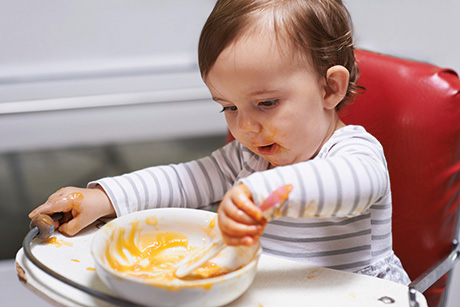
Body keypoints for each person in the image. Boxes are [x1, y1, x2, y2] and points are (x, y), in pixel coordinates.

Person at [29, 0, 410, 284]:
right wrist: (103, 199)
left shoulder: (355, 153)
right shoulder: (248, 159)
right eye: (228, 106)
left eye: (266, 103)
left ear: (330, 88)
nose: (245, 126)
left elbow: (352, 185)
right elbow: (183, 180)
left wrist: (262, 192)